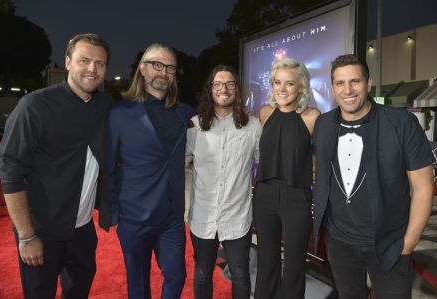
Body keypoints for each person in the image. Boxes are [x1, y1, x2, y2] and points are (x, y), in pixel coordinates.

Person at [0, 33, 112, 298]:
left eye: (100, 63)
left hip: (83, 231)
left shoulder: (105, 105)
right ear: (68, 62)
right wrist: (27, 236)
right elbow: (11, 171)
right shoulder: (34, 105)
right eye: (84, 60)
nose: (92, 69)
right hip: (41, 232)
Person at [313, 54, 435, 298]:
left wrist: (408, 243)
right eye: (340, 83)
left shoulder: (401, 123)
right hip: (339, 242)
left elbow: (423, 188)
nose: (348, 90)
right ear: (332, 87)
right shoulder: (323, 124)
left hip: (390, 243)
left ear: (368, 83)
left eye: (355, 81)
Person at [107, 43, 194, 299]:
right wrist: (114, 212)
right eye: (157, 65)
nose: (163, 72)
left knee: (177, 277)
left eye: (170, 67)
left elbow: (214, 121)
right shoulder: (119, 112)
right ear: (142, 69)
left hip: (172, 217)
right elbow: (108, 166)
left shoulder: (184, 113)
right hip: (134, 217)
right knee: (138, 285)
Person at [185, 65, 262, 299]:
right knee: (201, 275)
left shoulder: (253, 126)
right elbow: (177, 163)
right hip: (202, 217)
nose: (224, 89)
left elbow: (268, 164)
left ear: (236, 90)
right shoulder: (195, 126)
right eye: (217, 84)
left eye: (229, 84)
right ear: (210, 89)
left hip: (237, 218)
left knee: (240, 276)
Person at [253, 58, 320, 299]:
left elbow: (319, 157)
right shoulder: (264, 113)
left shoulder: (312, 117)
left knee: (294, 265)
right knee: (266, 261)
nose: (281, 89)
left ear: (301, 86)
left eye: (289, 83)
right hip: (264, 195)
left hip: (297, 197)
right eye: (276, 82)